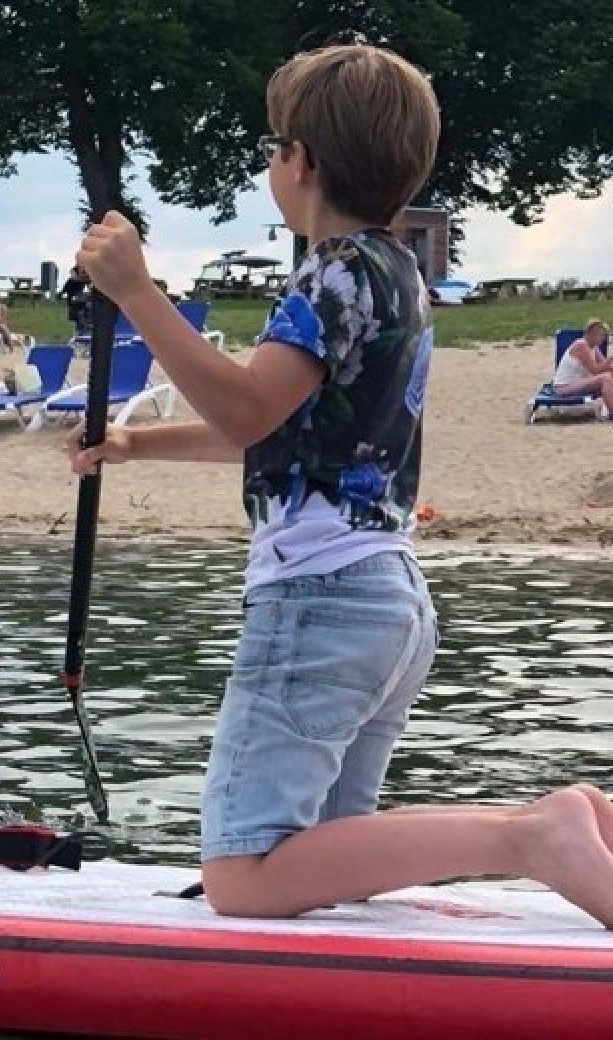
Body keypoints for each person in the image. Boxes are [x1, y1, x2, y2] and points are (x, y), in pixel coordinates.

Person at [70, 44, 613, 928]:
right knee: (325, 858)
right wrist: (137, 444)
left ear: (304, 162)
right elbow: (291, 434)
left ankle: (535, 835)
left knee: (245, 874)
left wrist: (136, 291)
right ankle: (588, 820)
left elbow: (249, 411)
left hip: (320, 604)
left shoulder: (326, 277)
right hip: (387, 601)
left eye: (275, 144)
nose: (271, 160)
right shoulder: (396, 274)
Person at [551, 319, 613, 419]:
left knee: (609, 374)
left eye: (603, 335)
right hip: (564, 387)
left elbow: (605, 366)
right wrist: (610, 359)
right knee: (605, 378)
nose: (602, 338)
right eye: (600, 335)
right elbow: (595, 370)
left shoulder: (593, 347)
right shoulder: (581, 345)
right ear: (590, 334)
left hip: (579, 383)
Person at [59, 267, 91, 342]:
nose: (72, 274)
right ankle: (79, 333)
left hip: (79, 302)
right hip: (73, 302)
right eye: (71, 273)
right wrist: (61, 294)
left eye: (73, 273)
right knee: (76, 319)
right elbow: (64, 289)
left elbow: (89, 287)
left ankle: (83, 332)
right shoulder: (70, 281)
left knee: (81, 317)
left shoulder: (83, 281)